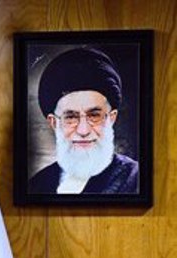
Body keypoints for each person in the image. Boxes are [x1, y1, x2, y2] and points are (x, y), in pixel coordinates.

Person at [29, 47, 139, 195]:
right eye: (71, 117)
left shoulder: (136, 179)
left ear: (111, 118)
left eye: (94, 115)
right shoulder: (37, 185)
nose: (83, 130)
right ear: (54, 123)